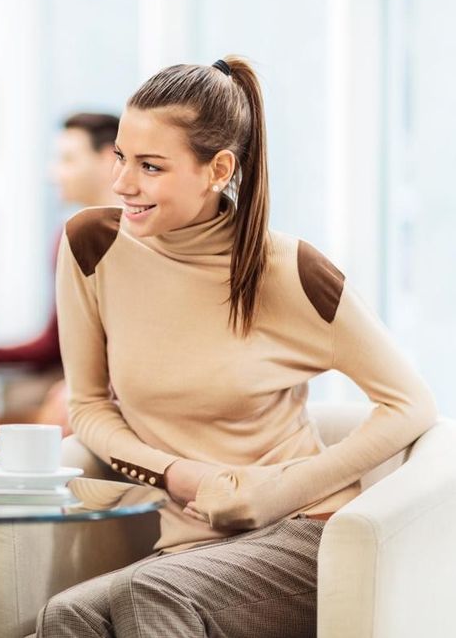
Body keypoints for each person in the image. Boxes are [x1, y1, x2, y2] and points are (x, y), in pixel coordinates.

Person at [38, 56, 437, 637]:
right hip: (189, 545)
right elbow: (91, 407)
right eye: (121, 157)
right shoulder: (91, 247)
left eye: (150, 166)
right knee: (68, 614)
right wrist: (176, 473)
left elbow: (411, 404)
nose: (123, 183)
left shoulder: (291, 269)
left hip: (305, 532)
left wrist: (272, 493)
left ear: (217, 168)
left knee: (154, 594)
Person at [0, 113, 120, 433]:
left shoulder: (139, 234)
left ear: (107, 158)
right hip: (79, 378)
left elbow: (58, 345)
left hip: (111, 385)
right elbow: (57, 341)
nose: (53, 173)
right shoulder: (68, 236)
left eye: (67, 159)